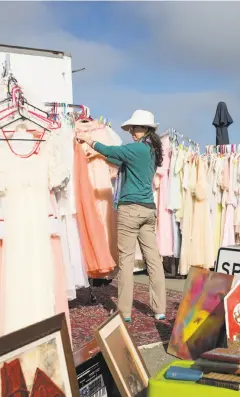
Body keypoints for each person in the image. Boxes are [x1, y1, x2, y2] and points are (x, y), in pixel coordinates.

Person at [77, 109, 166, 322]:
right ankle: (159, 308)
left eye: (134, 128)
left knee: (125, 261)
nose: (131, 132)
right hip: (147, 209)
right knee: (153, 260)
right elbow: (119, 159)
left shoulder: (135, 148)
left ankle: (124, 312)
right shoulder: (151, 150)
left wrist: (90, 140)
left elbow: (112, 150)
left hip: (130, 210)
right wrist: (99, 154)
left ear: (144, 129)